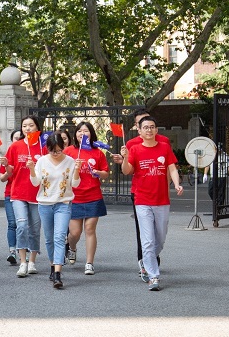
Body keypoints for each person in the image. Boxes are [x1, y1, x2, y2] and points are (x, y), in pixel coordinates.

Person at [121, 116, 183, 291]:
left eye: (152, 127)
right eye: (145, 127)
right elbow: (127, 171)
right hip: (142, 200)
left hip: (162, 200)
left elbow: (172, 168)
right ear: (139, 131)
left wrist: (176, 184)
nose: (149, 130)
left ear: (156, 130)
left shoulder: (164, 147)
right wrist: (125, 158)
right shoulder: (134, 149)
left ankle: (146, 260)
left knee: (160, 240)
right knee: (147, 241)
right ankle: (153, 276)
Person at [111, 108, 171, 281]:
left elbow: (168, 166)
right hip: (139, 193)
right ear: (137, 127)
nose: (147, 128)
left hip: (160, 193)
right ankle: (145, 264)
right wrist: (122, 160)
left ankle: (152, 258)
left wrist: (169, 186)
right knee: (144, 231)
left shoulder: (164, 142)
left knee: (159, 232)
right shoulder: (131, 144)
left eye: (149, 123)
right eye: (141, 124)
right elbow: (130, 167)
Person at [29, 132, 81, 288]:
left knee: (59, 237)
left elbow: (75, 184)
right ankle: (53, 265)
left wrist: (77, 170)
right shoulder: (42, 161)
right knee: (49, 238)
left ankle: (58, 273)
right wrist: (31, 169)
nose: (56, 153)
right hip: (45, 204)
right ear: (47, 148)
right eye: (53, 150)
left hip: (63, 203)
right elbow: (35, 183)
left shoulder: (70, 161)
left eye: (59, 150)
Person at [64, 122, 109, 275]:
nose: (82, 133)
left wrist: (98, 173)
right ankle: (72, 247)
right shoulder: (69, 151)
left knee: (90, 229)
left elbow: (105, 173)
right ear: (75, 134)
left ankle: (89, 263)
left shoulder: (98, 153)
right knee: (75, 233)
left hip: (93, 196)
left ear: (91, 134)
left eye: (86, 131)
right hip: (74, 197)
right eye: (79, 131)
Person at [5, 115, 47, 277]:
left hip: (38, 195)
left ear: (37, 127)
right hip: (18, 193)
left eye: (31, 125)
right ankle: (22, 262)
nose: (27, 128)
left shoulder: (43, 147)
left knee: (35, 230)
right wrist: (6, 165)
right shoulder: (15, 146)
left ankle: (32, 262)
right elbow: (10, 172)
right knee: (21, 226)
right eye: (24, 126)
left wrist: (34, 167)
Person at [0, 130, 22, 264]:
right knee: (12, 223)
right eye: (15, 138)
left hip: (25, 195)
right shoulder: (7, 157)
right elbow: (2, 178)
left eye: (20, 138)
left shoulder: (27, 155)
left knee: (24, 224)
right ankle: (12, 251)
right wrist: (8, 168)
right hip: (10, 194)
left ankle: (24, 250)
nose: (17, 140)